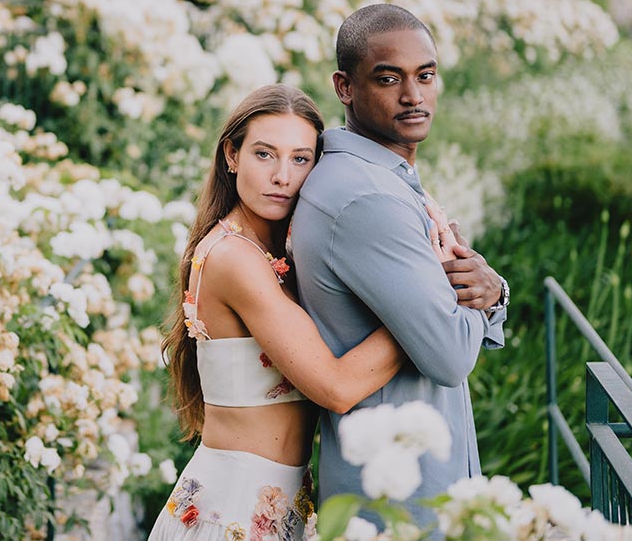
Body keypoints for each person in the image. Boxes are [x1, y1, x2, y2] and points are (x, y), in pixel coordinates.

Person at [151, 84, 474, 540]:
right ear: (231, 155)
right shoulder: (232, 257)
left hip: (283, 505)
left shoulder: (278, 251)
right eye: (265, 155)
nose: (282, 175)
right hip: (234, 514)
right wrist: (427, 302)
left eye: (301, 159)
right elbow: (337, 387)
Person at [291, 3, 508, 527]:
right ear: (344, 87)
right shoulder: (367, 198)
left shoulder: (384, 178)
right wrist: (472, 295)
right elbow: (451, 356)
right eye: (389, 79)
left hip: (419, 482)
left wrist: (493, 290)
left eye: (426, 76)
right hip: (401, 500)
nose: (414, 96)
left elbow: (463, 300)